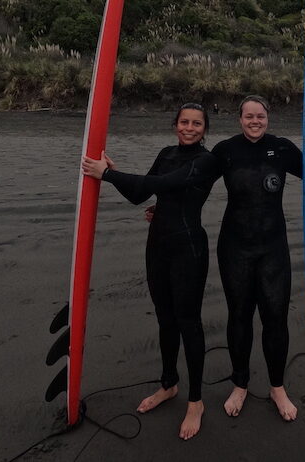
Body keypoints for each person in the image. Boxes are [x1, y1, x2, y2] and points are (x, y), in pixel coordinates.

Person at [81, 103, 218, 440]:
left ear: (205, 128)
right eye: (184, 121)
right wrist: (112, 173)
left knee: (188, 322)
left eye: (196, 123)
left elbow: (167, 184)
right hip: (157, 246)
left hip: (189, 249)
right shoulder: (166, 152)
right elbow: (140, 193)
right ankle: (169, 384)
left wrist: (107, 174)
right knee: (164, 318)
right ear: (175, 124)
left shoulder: (206, 160)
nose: (189, 128)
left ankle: (196, 401)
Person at [210, 95, 303, 421]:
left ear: (268, 117)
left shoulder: (282, 148)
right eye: (249, 116)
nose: (255, 121)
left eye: (260, 116)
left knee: (275, 318)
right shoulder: (225, 151)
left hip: (272, 249)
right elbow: (193, 185)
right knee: (239, 315)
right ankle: (241, 383)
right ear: (239, 118)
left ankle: (277, 387)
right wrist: (163, 209)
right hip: (235, 249)